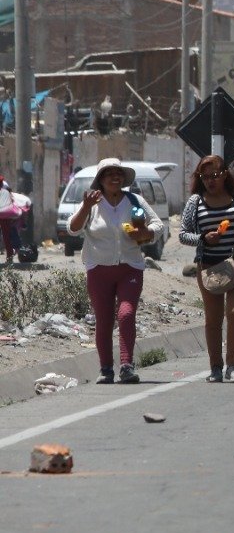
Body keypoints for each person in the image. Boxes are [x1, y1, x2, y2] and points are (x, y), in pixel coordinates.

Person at [68, 158, 163, 384]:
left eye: (118, 173)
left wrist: (145, 233)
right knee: (104, 320)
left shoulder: (134, 200)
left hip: (130, 268)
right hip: (98, 270)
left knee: (126, 314)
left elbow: (158, 225)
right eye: (109, 173)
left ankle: (127, 365)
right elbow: (72, 229)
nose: (114, 177)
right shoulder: (92, 203)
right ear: (100, 179)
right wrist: (85, 207)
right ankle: (106, 369)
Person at [180, 155, 234, 383]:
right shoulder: (196, 202)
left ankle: (233, 366)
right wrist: (203, 239)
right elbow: (183, 234)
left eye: (215, 176)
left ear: (225, 174)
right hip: (209, 266)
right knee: (213, 318)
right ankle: (215, 367)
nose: (210, 181)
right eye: (205, 177)